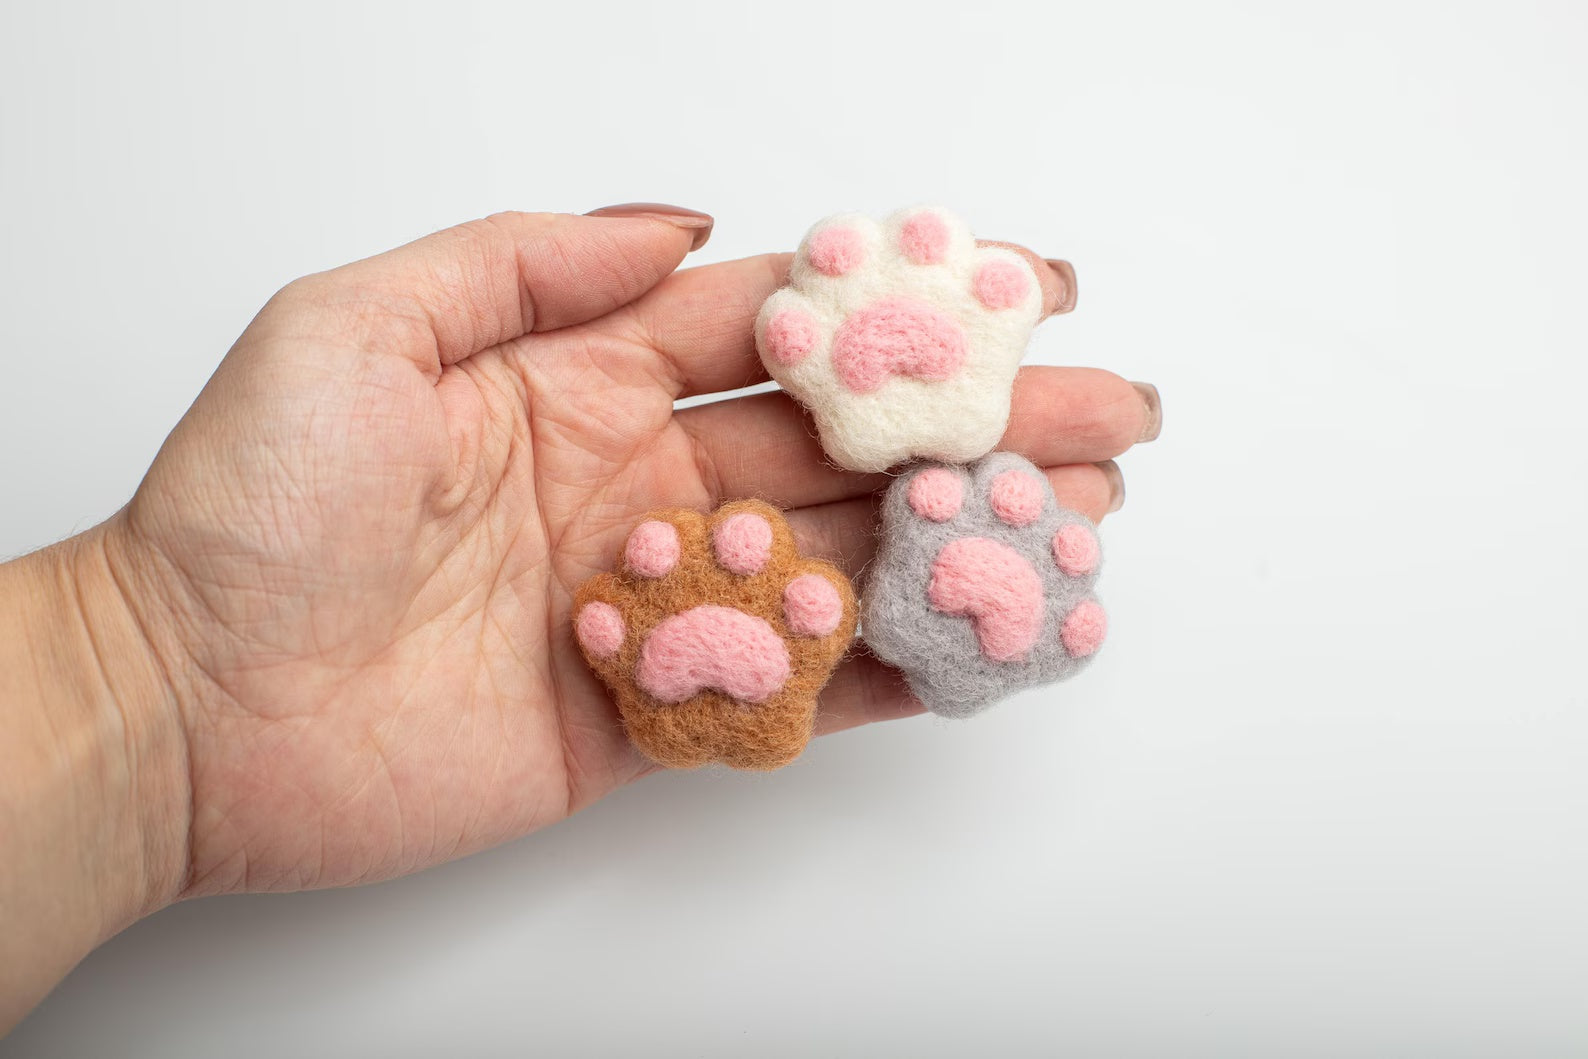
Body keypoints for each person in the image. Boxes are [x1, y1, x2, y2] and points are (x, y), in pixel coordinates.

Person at [0, 203, 1160, 1029]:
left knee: (877, 550)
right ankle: (746, 622)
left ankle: (810, 597)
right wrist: (151, 650)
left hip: (872, 526)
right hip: (802, 558)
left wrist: (142, 672)